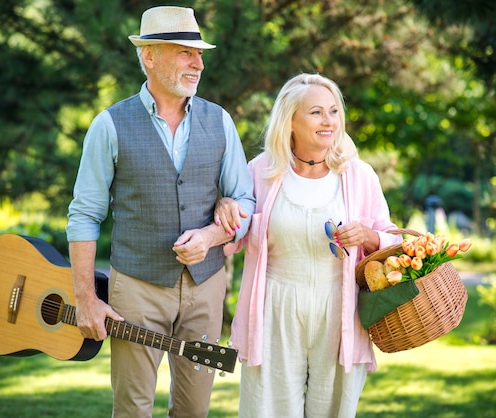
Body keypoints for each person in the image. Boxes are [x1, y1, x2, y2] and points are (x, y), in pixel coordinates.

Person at [65, 6, 254, 417]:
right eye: (185, 52)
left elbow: (246, 202)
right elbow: (84, 215)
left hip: (206, 290)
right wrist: (85, 298)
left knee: (194, 410)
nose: (199, 63)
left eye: (200, 54)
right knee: (132, 408)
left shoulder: (220, 122)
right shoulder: (109, 125)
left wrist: (211, 236)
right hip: (136, 288)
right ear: (149, 55)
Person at [222, 73, 401, 417]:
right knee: (267, 410)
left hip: (340, 306)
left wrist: (367, 234)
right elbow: (233, 234)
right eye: (316, 112)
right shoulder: (260, 171)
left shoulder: (359, 175)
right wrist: (224, 207)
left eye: (334, 112)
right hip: (275, 306)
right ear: (290, 121)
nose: (329, 121)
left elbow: (392, 239)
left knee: (332, 410)